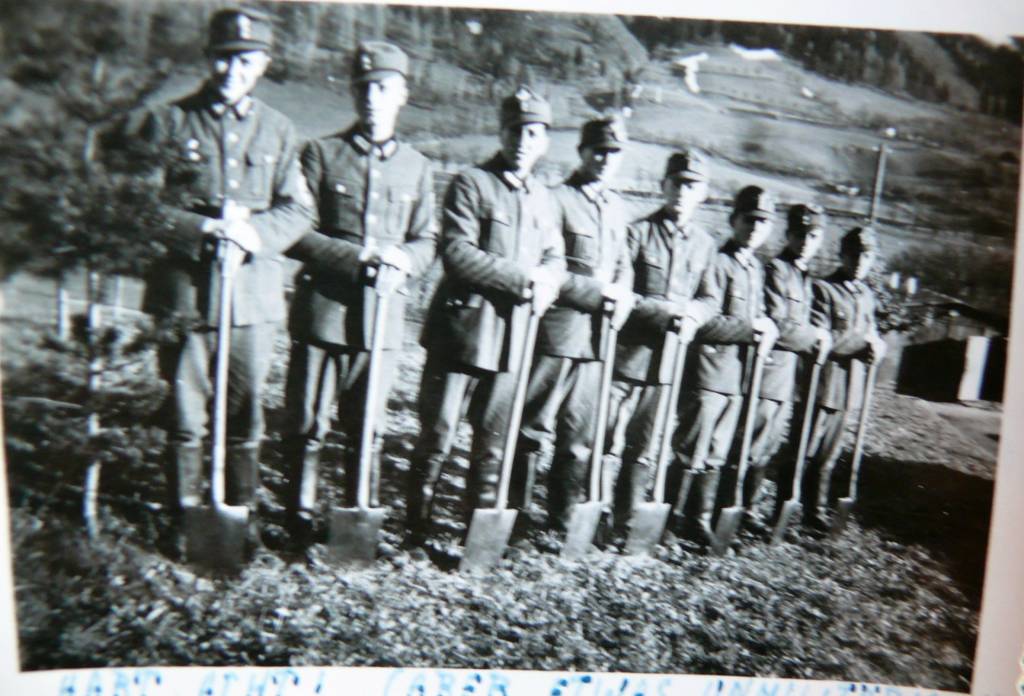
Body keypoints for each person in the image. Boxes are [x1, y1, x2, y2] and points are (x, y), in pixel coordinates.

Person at [135, 7, 312, 554]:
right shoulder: (168, 123)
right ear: (209, 59)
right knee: (185, 411)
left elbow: (298, 209)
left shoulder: (279, 130)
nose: (234, 70)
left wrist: (252, 233)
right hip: (185, 295)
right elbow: (140, 204)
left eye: (247, 60)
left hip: (251, 300)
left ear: (263, 65)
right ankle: (184, 514)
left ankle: (239, 515)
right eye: (224, 58)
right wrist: (204, 228)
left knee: (245, 411)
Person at [281, 42, 436, 544]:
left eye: (383, 88)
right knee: (307, 424)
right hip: (323, 313)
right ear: (352, 92)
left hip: (382, 319)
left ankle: (353, 520)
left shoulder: (417, 166)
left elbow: (427, 240)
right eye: (364, 88)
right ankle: (298, 519)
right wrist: (360, 257)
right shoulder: (321, 154)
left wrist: (405, 260)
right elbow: (296, 232)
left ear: (402, 94)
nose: (373, 98)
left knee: (367, 426)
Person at [408, 86, 566, 548]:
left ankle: (475, 537)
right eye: (515, 131)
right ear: (501, 133)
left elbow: (555, 255)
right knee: (438, 434)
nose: (523, 141)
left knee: (493, 442)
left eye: (533, 133)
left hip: (514, 339)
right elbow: (458, 253)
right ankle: (415, 530)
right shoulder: (472, 183)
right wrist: (525, 279)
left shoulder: (544, 198)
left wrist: (550, 280)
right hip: (462, 333)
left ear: (544, 141)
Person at [511, 116, 635, 547]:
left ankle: (560, 520)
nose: (605, 160)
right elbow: (551, 267)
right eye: (598, 151)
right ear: (581, 153)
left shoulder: (617, 207)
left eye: (613, 153)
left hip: (599, 340)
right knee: (532, 427)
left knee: (580, 434)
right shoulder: (556, 199)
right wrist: (601, 293)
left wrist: (624, 293)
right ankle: (515, 517)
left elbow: (623, 264)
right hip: (558, 332)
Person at [604, 149, 717, 536]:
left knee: (645, 442)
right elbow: (625, 292)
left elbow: (709, 297)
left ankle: (624, 519)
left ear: (702, 193)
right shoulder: (637, 233)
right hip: (626, 356)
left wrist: (694, 314)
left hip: (668, 363)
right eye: (677, 183)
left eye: (692, 186)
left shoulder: (704, 245)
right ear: (663, 186)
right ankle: (593, 510)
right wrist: (666, 312)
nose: (683, 192)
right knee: (606, 436)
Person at [666, 185, 779, 547]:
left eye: (763, 222)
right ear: (733, 221)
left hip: (737, 377)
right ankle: (669, 520)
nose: (755, 228)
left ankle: (698, 518)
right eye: (749, 220)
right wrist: (750, 329)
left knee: (716, 451)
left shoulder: (754, 268)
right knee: (691, 448)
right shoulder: (717, 261)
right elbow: (705, 320)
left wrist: (762, 327)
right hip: (708, 370)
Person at [741, 203, 832, 532]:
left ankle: (748, 510)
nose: (806, 242)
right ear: (788, 235)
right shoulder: (777, 270)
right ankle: (741, 509)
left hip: (789, 375)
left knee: (769, 444)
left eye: (813, 236)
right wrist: (815, 336)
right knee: (755, 442)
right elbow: (780, 324)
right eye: (799, 235)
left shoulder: (804, 276)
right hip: (770, 371)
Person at [800, 226, 886, 530]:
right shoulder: (823, 289)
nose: (860, 262)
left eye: (866, 256)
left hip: (850, 387)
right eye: (854, 255)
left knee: (829, 454)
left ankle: (814, 511)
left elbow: (871, 332)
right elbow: (824, 338)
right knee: (804, 450)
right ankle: (785, 504)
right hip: (822, 384)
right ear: (842, 255)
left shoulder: (866, 295)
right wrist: (863, 343)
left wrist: (877, 345)